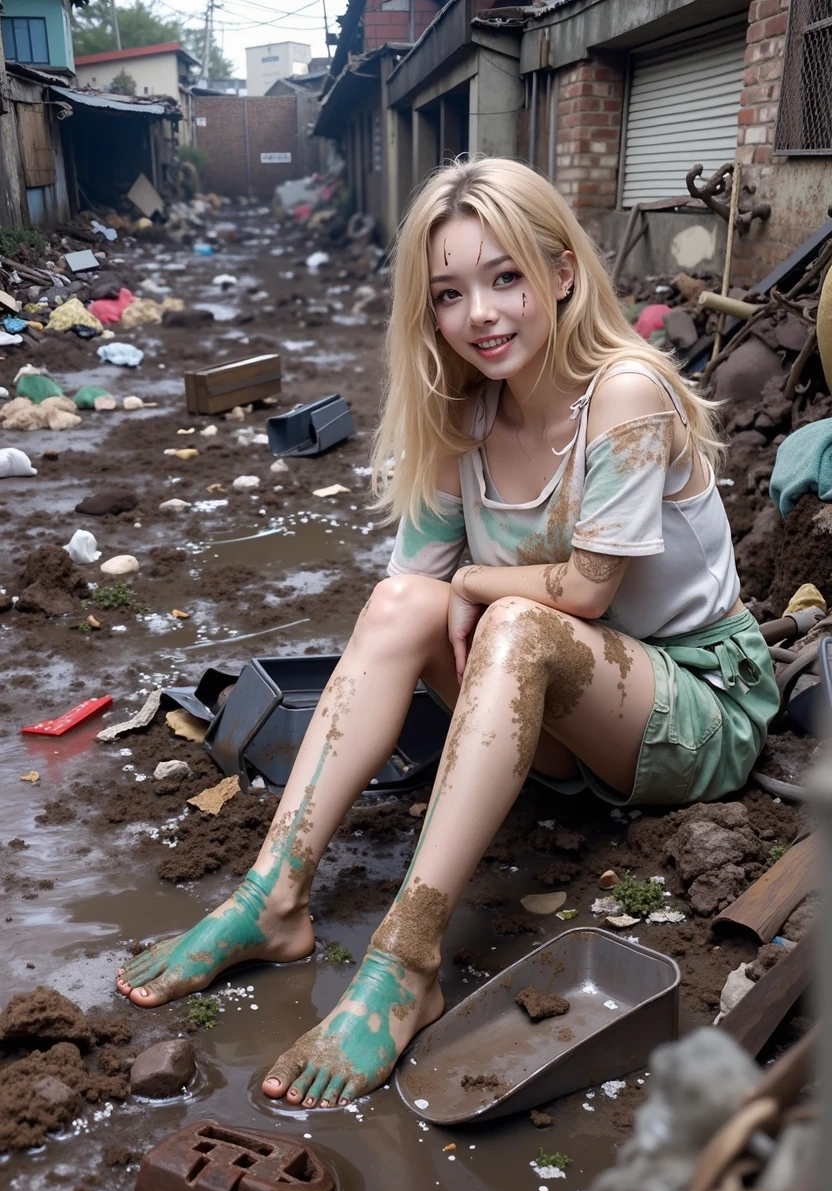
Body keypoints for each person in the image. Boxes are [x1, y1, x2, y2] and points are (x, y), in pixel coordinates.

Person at [117, 156, 778, 1109]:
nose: (483, 314)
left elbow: (587, 592)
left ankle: (409, 958)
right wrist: (440, 603)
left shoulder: (626, 394)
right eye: (451, 293)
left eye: (507, 277)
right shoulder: (462, 414)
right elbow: (407, 598)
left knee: (514, 615)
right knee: (398, 607)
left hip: (693, 710)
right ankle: (273, 898)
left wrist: (475, 577)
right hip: (563, 724)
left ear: (560, 272)